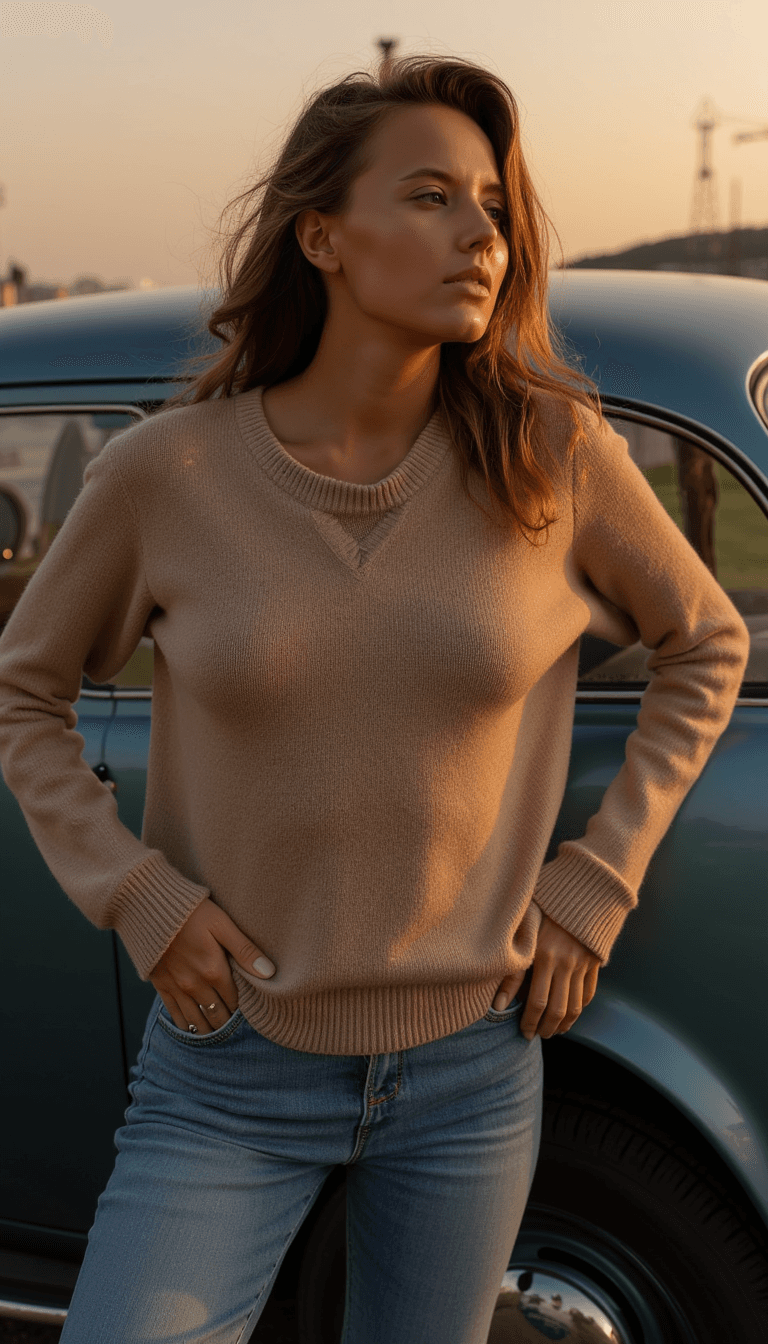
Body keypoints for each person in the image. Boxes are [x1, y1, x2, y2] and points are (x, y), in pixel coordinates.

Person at [0, 54, 749, 1344]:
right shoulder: (166, 476)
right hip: (227, 1073)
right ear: (323, 237)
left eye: (494, 207)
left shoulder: (553, 454)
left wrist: (595, 881)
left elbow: (708, 641)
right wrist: (136, 894)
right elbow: (26, 693)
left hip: (474, 1072)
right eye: (431, 197)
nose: (482, 236)